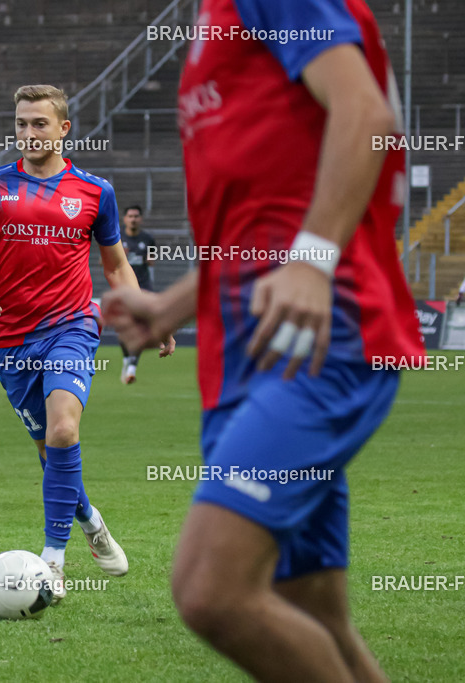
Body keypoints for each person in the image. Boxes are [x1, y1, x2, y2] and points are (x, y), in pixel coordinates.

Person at [102, 2, 423, 680]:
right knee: (312, 610)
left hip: (318, 337)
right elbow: (259, 225)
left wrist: (312, 259)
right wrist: (170, 307)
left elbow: (364, 114)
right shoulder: (218, 20)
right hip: (247, 353)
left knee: (210, 589)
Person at [0, 84, 175, 602]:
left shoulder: (95, 191)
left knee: (64, 428)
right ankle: (91, 520)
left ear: (63, 129)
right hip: (11, 338)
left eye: (39, 123)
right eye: (21, 123)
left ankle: (52, 561)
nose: (29, 133)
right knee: (51, 451)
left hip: (72, 326)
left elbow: (116, 266)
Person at [118, 205, 157, 384]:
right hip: (124, 288)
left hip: (143, 288)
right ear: (125, 219)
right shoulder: (117, 238)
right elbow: (104, 262)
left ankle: (132, 367)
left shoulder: (148, 239)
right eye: (130, 216)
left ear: (140, 219)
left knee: (139, 327)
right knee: (123, 329)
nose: (133, 219)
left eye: (136, 216)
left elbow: (152, 262)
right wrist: (120, 256)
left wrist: (149, 258)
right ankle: (127, 359)